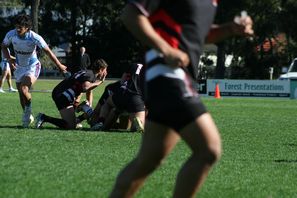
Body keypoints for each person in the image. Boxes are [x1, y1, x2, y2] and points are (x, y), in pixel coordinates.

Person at [109, 1, 254, 197]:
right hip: (167, 74)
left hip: (178, 76)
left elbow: (197, 34)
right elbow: (130, 13)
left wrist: (230, 28)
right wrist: (165, 49)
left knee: (148, 160)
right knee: (208, 150)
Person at [1, 14, 68, 128]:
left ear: (27, 27)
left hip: (32, 66)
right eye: (16, 26)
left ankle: (27, 112)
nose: (17, 29)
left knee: (24, 88)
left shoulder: (35, 37)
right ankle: (28, 114)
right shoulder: (11, 34)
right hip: (19, 67)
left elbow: (48, 51)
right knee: (21, 95)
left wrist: (59, 65)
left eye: (20, 27)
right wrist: (9, 59)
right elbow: (3, 46)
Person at [35, 59, 108, 129]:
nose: (106, 72)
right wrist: (100, 82)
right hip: (63, 95)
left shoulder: (88, 72)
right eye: (105, 70)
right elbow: (86, 87)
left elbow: (89, 90)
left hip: (61, 92)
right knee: (70, 126)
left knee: (72, 123)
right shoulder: (91, 75)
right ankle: (44, 118)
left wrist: (89, 105)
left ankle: (79, 117)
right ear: (101, 69)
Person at [90, 63, 145, 131]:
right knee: (136, 125)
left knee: (108, 103)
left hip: (122, 93)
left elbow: (122, 80)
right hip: (136, 98)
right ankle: (137, 124)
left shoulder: (134, 65)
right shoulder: (151, 70)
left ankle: (100, 122)